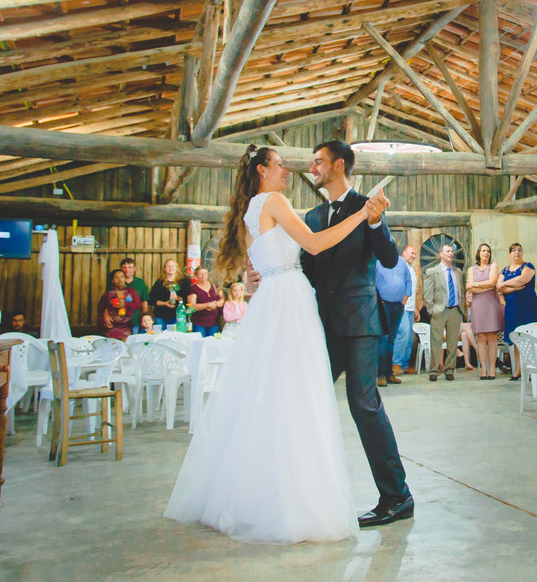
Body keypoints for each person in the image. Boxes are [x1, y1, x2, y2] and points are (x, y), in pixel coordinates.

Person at [165, 144, 387, 543]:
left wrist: (253, 282)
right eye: (281, 165)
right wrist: (361, 215)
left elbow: (269, 259)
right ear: (263, 171)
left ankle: (263, 494)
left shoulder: (251, 210)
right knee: (297, 399)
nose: (290, 170)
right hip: (291, 306)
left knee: (276, 396)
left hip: (280, 302)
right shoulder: (276, 200)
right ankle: (294, 500)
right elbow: (314, 247)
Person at [300, 140, 412, 528]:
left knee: (363, 405)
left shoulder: (369, 205)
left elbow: (389, 258)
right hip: (323, 324)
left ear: (339, 165)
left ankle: (397, 498)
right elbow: (306, 268)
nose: (313, 168)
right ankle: (299, 492)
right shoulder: (312, 216)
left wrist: (378, 222)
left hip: (361, 321)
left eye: (319, 162)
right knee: (305, 400)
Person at [498, 242, 537, 381]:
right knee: (516, 339)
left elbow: (523, 279)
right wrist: (512, 287)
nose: (517, 253)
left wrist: (505, 283)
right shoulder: (505, 270)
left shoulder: (528, 266)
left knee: (529, 338)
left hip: (527, 306)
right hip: (512, 307)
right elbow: (499, 288)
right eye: (514, 251)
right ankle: (518, 369)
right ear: (510, 254)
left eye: (519, 250)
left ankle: (530, 370)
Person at [423, 243, 465, 382]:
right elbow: (427, 293)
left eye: (452, 251)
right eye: (447, 251)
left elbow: (460, 291)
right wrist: (431, 310)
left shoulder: (457, 271)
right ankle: (434, 370)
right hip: (439, 311)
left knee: (453, 343)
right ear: (440, 254)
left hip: (455, 311)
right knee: (436, 341)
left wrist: (462, 309)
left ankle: (449, 370)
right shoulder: (432, 272)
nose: (451, 253)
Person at [375, 243, 414, 386]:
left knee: (392, 340)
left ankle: (389, 374)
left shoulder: (402, 263)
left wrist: (403, 301)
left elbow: (408, 282)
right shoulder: (377, 262)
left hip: (398, 306)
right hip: (383, 306)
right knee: (383, 340)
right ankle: (380, 375)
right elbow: (372, 283)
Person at [467, 243, 502, 380]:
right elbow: (469, 288)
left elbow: (493, 282)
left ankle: (492, 369)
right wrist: (485, 287)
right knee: (481, 336)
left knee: (492, 337)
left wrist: (476, 285)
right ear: (478, 253)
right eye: (483, 251)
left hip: (491, 303)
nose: (486, 253)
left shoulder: (493, 266)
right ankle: (483, 369)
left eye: (488, 251)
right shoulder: (471, 269)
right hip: (478, 304)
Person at [392, 245, 419, 375]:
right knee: (402, 333)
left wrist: (416, 309)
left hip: (410, 308)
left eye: (415, 254)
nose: (413, 256)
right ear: (403, 253)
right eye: (411, 253)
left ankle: (404, 365)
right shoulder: (399, 265)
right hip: (401, 306)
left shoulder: (412, 268)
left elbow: (413, 291)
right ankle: (395, 363)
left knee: (410, 337)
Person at [98, 269, 141, 340]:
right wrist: (104, 321)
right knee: (111, 346)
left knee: (125, 346)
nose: (120, 279)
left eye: (122, 277)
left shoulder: (131, 292)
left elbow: (138, 305)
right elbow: (100, 310)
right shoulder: (107, 294)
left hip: (126, 326)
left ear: (125, 279)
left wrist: (125, 305)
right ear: (112, 281)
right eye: (116, 277)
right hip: (111, 327)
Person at [185, 265, 224, 337]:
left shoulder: (214, 286)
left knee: (212, 343)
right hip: (199, 323)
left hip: (214, 322)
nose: (203, 276)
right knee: (200, 343)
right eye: (200, 274)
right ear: (196, 276)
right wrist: (207, 305)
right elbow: (192, 306)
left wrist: (216, 304)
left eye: (205, 273)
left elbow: (223, 299)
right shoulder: (193, 289)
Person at [149, 258, 186, 329]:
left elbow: (187, 299)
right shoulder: (159, 282)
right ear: (165, 269)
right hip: (160, 316)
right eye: (168, 266)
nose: (171, 268)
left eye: (173, 266)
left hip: (177, 316)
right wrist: (164, 303)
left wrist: (177, 298)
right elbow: (151, 299)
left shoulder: (183, 282)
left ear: (177, 268)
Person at [120, 257, 149, 329]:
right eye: (124, 267)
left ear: (134, 269)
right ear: (121, 268)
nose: (127, 270)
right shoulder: (116, 282)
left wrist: (144, 319)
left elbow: (144, 303)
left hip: (135, 321)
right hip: (119, 322)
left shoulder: (140, 283)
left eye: (130, 267)